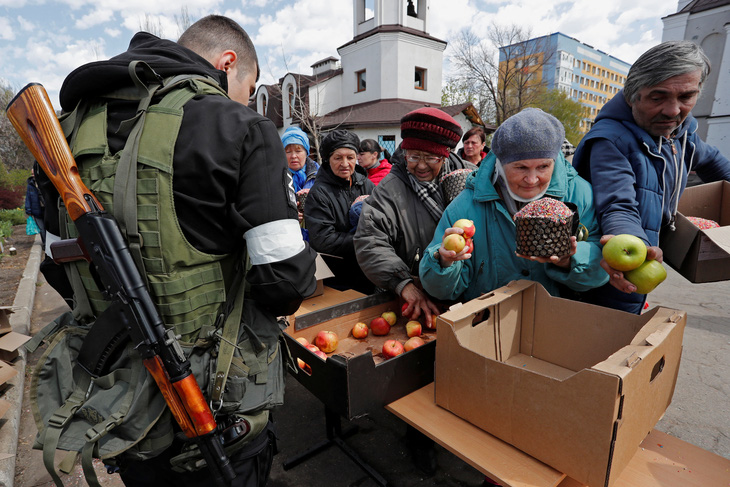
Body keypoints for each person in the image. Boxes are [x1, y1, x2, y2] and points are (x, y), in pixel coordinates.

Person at [36, 15, 317, 487]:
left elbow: (57, 266)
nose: (247, 101)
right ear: (228, 64)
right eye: (249, 88)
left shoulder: (65, 131)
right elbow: (286, 283)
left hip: (115, 406)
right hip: (216, 402)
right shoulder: (240, 125)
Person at [573, 40, 730, 314]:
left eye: (686, 98)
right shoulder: (610, 141)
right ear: (633, 95)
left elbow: (716, 164)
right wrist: (634, 243)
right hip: (614, 265)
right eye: (658, 97)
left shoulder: (683, 135)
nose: (673, 111)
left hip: (644, 262)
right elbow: (618, 204)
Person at [419, 108, 608, 304]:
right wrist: (444, 262)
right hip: (489, 323)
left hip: (555, 321)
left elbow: (601, 271)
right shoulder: (467, 205)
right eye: (521, 168)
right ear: (500, 165)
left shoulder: (578, 195)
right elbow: (439, 290)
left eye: (543, 167)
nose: (532, 179)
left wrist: (569, 261)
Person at [355, 107, 476, 328]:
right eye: (413, 156)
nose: (420, 165)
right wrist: (404, 284)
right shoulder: (389, 189)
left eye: (431, 157)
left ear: (445, 154)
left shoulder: (470, 180)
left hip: (469, 298)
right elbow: (370, 241)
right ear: (404, 153)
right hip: (417, 299)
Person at [304, 129, 375, 293]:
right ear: (328, 160)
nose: (345, 163)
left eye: (350, 157)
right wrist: (364, 239)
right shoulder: (319, 194)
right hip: (338, 279)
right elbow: (322, 240)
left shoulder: (366, 185)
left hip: (369, 272)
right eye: (338, 158)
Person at [282, 126, 319, 193]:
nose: (293, 156)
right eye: (288, 152)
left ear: (306, 153)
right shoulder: (277, 176)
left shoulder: (319, 175)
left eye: (298, 151)